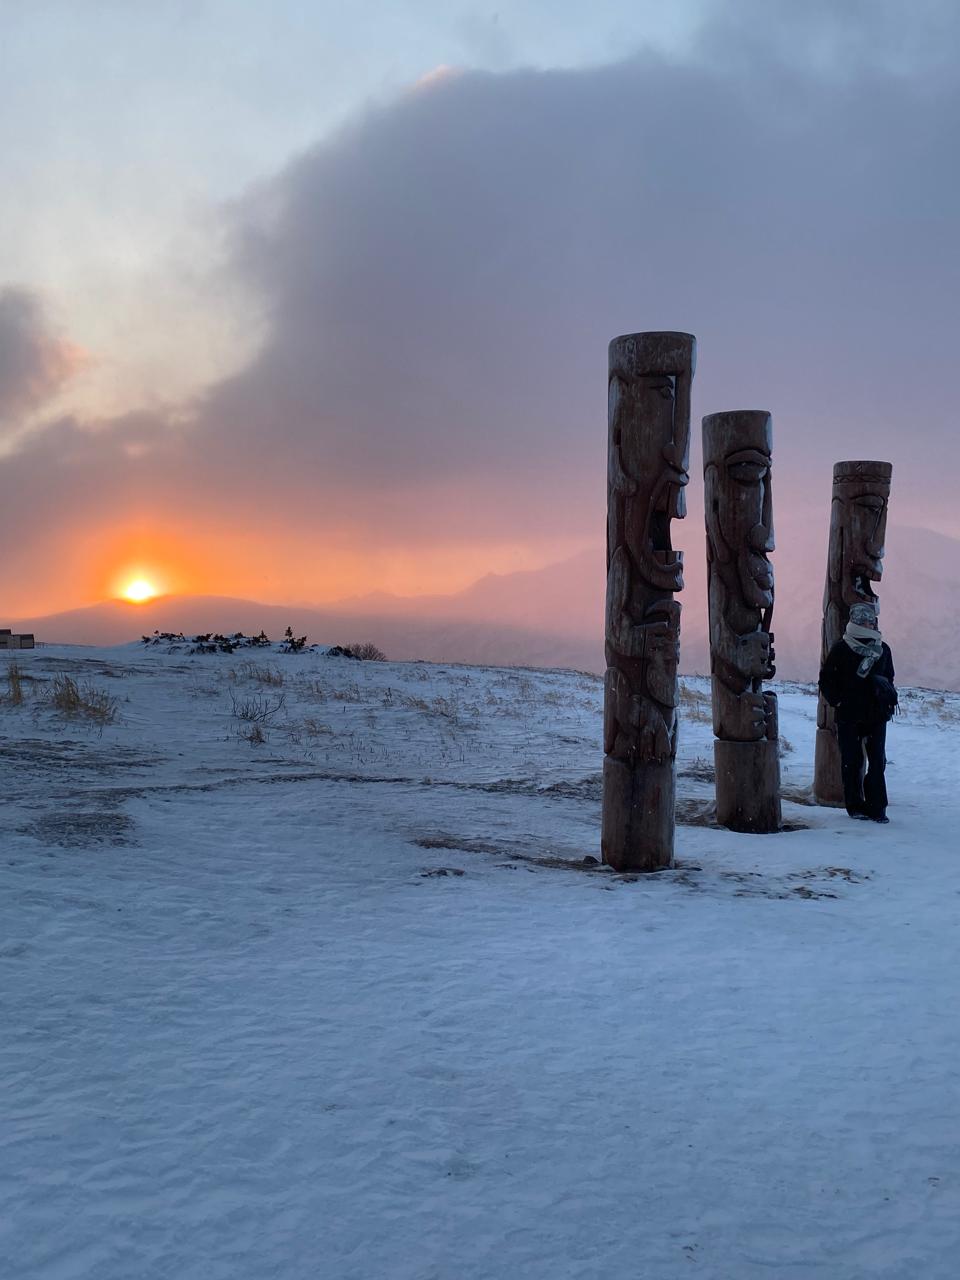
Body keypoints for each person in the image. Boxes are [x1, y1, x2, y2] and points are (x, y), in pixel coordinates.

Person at [818, 601, 896, 823]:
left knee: (877, 761)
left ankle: (877, 807)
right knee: (852, 761)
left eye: (869, 619)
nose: (867, 623)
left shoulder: (883, 649)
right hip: (850, 715)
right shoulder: (842, 648)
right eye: (863, 619)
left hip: (876, 714)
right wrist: (840, 701)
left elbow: (889, 676)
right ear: (854, 620)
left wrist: (881, 689)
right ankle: (855, 806)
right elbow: (826, 679)